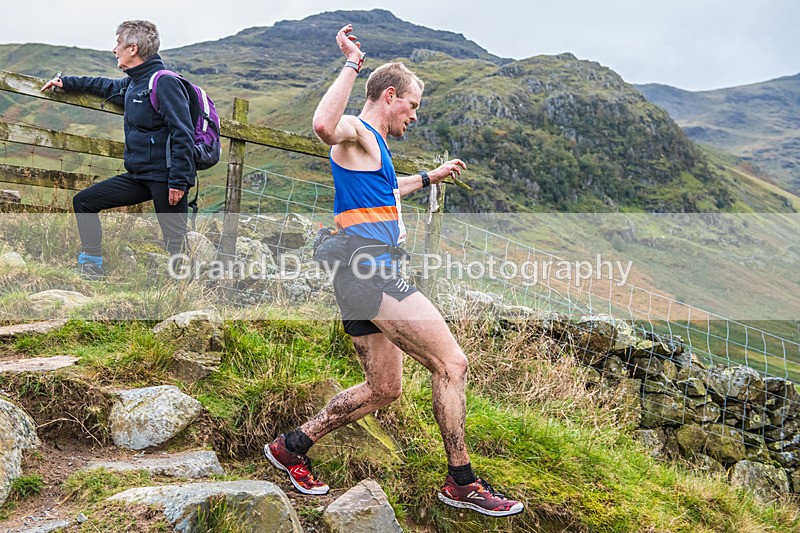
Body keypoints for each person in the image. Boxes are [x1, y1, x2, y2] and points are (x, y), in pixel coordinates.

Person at [264, 23, 523, 518]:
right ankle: (460, 481)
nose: (415, 115)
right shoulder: (358, 133)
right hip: (370, 269)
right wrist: (351, 63)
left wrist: (430, 177)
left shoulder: (375, 148)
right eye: (413, 105)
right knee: (452, 365)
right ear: (390, 96)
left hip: (357, 272)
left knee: (385, 388)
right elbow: (323, 126)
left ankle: (290, 447)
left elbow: (386, 189)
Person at [41, 20, 194, 279]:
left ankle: (186, 294)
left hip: (166, 179)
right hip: (138, 176)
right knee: (85, 201)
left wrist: (179, 182)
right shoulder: (134, 83)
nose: (114, 49)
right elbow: (103, 86)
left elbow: (183, 133)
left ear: (132, 48)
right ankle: (91, 266)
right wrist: (65, 82)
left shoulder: (164, 83)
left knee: (174, 241)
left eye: (118, 44)